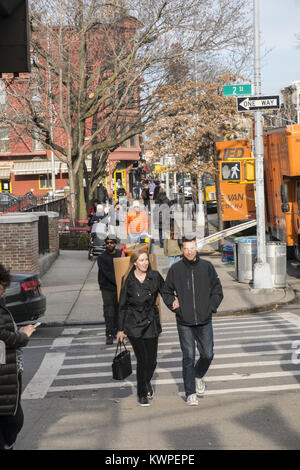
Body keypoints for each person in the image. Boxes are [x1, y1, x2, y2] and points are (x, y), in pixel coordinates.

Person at [162, 236, 223, 406]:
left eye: (192, 248)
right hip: (184, 321)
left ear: (197, 248)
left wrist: (210, 307)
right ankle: (190, 393)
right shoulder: (176, 269)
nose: (190, 251)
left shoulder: (207, 267)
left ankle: (198, 375)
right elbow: (166, 291)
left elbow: (218, 290)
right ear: (182, 249)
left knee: (208, 354)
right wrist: (173, 304)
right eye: (186, 248)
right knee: (188, 357)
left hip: (204, 319)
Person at [116, 249, 164, 407]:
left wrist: (176, 303)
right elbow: (122, 306)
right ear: (135, 263)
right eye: (141, 260)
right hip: (134, 324)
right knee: (142, 360)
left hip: (151, 322)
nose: (145, 263)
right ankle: (142, 393)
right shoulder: (128, 280)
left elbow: (166, 292)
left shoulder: (155, 277)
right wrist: (120, 329)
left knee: (152, 361)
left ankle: (146, 381)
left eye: (146, 260)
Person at [0, 264, 37, 450]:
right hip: (5, 372)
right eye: (2, 284)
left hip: (9, 367)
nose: (4, 289)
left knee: (12, 417)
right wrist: (24, 335)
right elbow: (5, 337)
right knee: (13, 418)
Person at [97, 234, 121, 344]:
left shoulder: (120, 254)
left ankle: (118, 331)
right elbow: (107, 273)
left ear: (115, 244)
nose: (109, 244)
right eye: (107, 243)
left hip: (119, 287)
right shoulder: (102, 257)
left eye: (111, 242)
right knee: (109, 311)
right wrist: (118, 282)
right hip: (107, 287)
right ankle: (109, 334)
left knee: (118, 310)